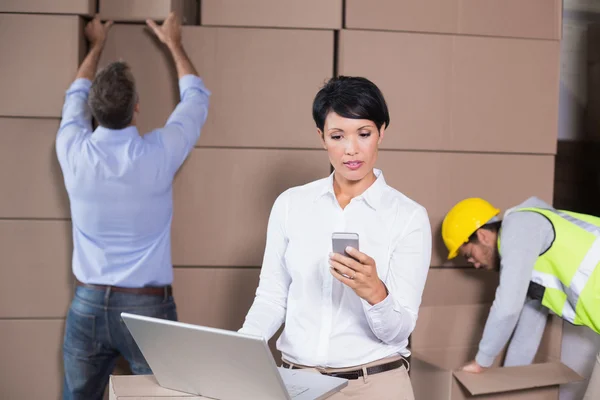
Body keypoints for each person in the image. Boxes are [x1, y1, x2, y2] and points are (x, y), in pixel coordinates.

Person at [239, 76, 432, 399]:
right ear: (321, 137)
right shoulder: (291, 204)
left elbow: (400, 330)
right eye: (338, 136)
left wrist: (375, 293)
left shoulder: (408, 216)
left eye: (364, 134)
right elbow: (272, 297)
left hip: (376, 385)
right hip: (296, 383)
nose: (351, 149)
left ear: (382, 132)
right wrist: (238, 352)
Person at [56, 14, 210, 400]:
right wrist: (173, 42)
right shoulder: (159, 152)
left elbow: (74, 94)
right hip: (147, 311)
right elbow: (197, 98)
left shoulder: (72, 149)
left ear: (93, 109)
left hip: (88, 303)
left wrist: (95, 44)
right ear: (137, 108)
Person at [441, 196, 600, 399]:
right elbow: (527, 333)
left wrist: (482, 361)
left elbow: (507, 307)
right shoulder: (529, 256)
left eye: (469, 255)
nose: (475, 264)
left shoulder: (520, 226)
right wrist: (508, 386)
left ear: (482, 236)